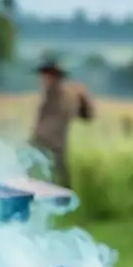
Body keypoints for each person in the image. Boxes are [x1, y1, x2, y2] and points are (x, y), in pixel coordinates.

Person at [30, 59, 94, 189]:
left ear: (54, 77)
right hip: (51, 145)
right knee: (52, 176)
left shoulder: (63, 97)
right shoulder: (51, 95)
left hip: (52, 145)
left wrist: (36, 139)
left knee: (54, 176)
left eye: (47, 75)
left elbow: (54, 122)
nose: (43, 79)